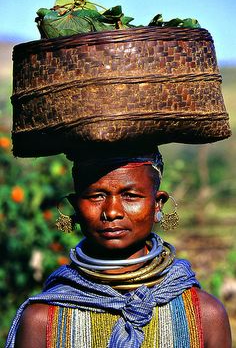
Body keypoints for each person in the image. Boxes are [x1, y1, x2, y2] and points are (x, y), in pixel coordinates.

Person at [6, 149, 232, 348]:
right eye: (96, 196)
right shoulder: (42, 320)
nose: (112, 211)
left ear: (157, 205)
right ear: (75, 207)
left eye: (130, 195)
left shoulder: (204, 315)